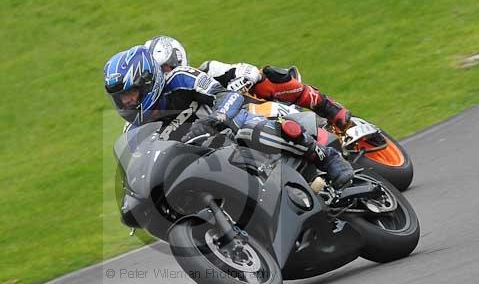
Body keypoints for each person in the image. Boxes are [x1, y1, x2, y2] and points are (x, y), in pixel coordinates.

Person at [104, 45, 354, 188]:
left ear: (150, 80)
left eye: (132, 93)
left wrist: (217, 118)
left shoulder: (182, 78)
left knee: (256, 109)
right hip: (205, 161)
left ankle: (326, 155)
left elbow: (225, 93)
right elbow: (136, 170)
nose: (127, 102)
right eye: (121, 98)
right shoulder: (132, 132)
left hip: (233, 126)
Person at [144, 35, 353, 132]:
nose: (162, 76)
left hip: (248, 111)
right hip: (221, 142)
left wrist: (243, 78)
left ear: (177, 60)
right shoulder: (158, 107)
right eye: (157, 72)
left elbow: (245, 70)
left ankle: (329, 108)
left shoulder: (206, 71)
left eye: (165, 69)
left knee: (266, 78)